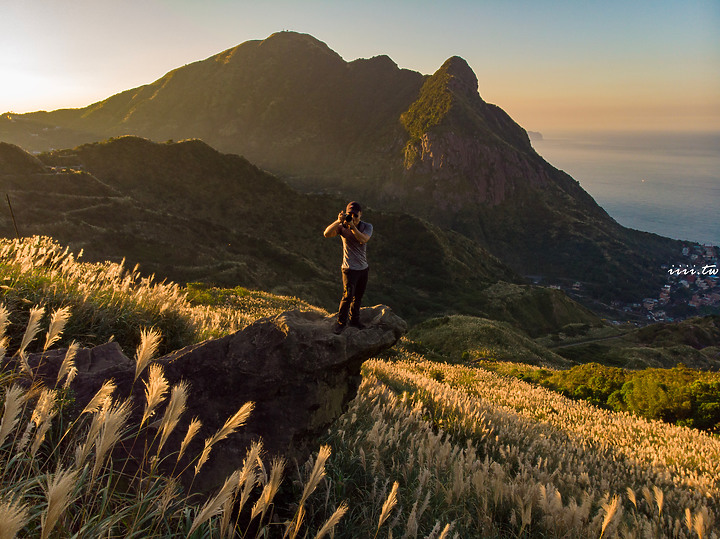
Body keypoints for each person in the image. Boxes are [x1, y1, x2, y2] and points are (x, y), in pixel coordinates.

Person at [323, 201, 373, 334]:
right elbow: (326, 234)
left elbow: (363, 239)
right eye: (350, 215)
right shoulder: (341, 227)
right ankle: (340, 323)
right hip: (349, 269)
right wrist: (337, 221)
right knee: (347, 297)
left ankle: (354, 321)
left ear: (360, 214)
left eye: (355, 215)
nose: (353, 218)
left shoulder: (367, 226)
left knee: (358, 297)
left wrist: (353, 227)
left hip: (363, 268)